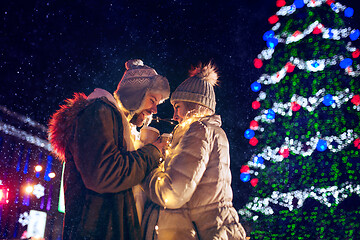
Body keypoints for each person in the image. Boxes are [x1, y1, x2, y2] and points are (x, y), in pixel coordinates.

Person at [48, 59, 170, 240]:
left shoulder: (121, 125)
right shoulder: (99, 112)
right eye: (152, 100)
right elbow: (105, 174)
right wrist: (152, 152)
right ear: (135, 94)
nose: (154, 110)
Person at [142, 62, 247, 240]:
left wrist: (147, 168)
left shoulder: (198, 130)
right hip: (217, 228)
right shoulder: (214, 131)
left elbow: (172, 193)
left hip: (198, 232)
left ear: (193, 104)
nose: (174, 116)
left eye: (177, 107)